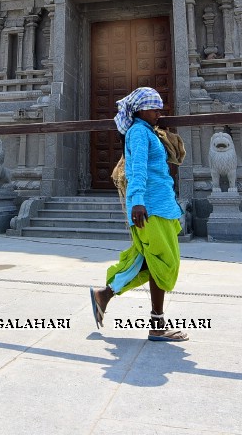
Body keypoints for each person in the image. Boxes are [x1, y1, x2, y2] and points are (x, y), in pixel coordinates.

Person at [90, 87, 188, 342]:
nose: (159, 112)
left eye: (159, 107)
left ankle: (105, 295)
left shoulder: (148, 133)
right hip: (150, 209)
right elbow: (137, 170)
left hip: (161, 207)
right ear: (140, 110)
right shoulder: (138, 133)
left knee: (146, 262)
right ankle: (157, 325)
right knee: (161, 262)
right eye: (154, 107)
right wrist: (138, 203)